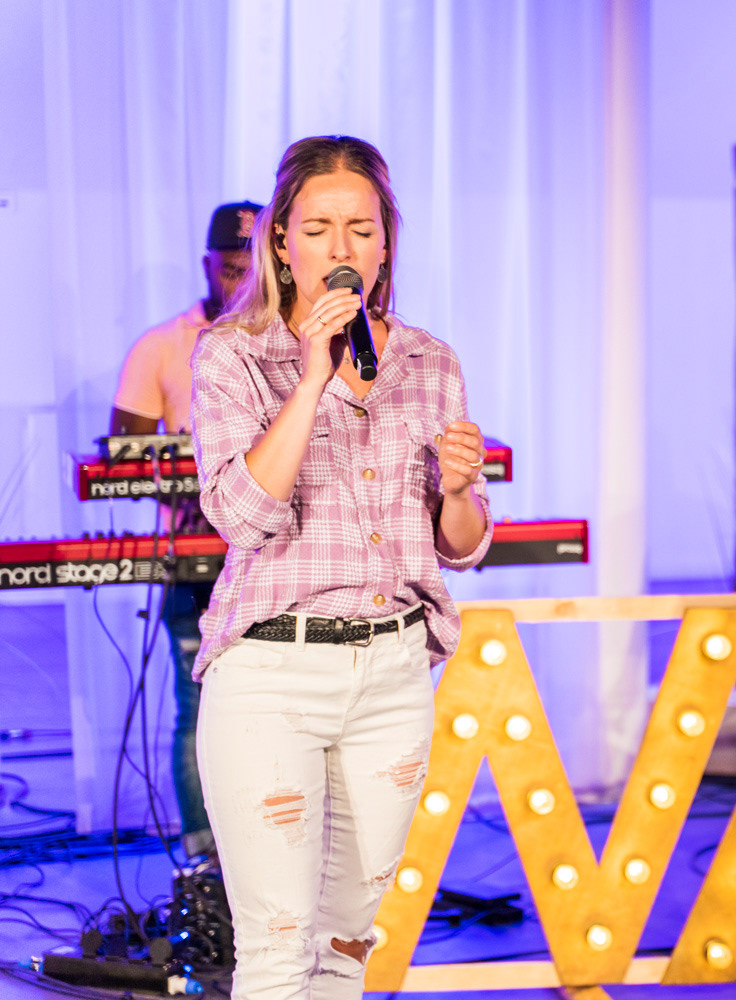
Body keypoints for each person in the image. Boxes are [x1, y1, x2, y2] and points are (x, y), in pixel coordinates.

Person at [190, 135, 492, 998]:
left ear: (385, 242)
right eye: (319, 229)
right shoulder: (233, 354)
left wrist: (459, 490)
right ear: (282, 241)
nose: (341, 248)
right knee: (279, 950)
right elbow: (242, 515)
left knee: (349, 946)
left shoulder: (429, 361)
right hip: (272, 672)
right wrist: (312, 375)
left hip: (392, 672)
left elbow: (462, 543)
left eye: (360, 229)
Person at [110, 200, 262, 861]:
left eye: (251, 268)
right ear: (206, 265)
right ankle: (206, 865)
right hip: (198, 558)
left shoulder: (295, 341)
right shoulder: (163, 346)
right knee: (198, 707)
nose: (241, 281)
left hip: (278, 559)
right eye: (230, 268)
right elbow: (122, 458)